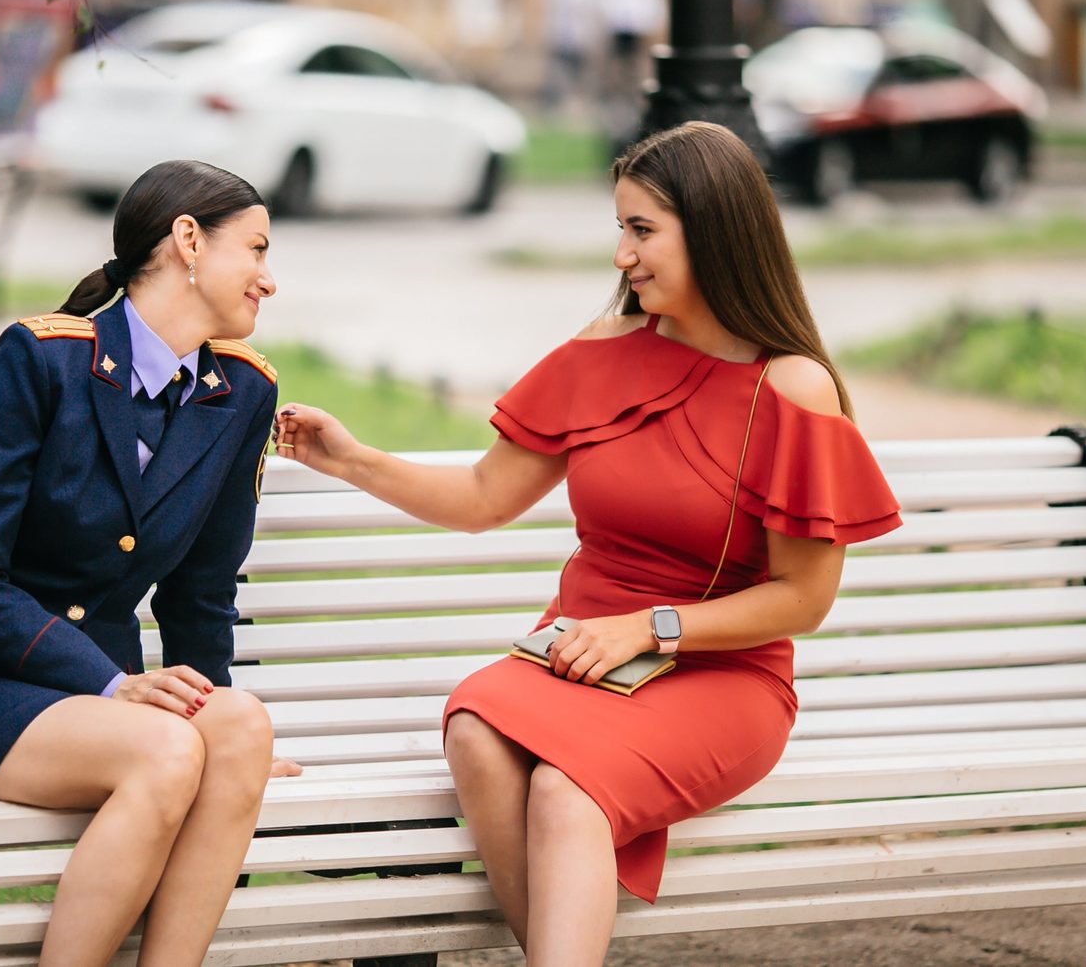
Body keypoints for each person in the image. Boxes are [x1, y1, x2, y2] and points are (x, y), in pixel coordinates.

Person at [273, 122, 902, 964]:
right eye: (620, 227)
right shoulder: (599, 353)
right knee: (475, 730)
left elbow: (805, 598)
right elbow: (483, 496)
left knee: (567, 790)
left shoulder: (790, 387)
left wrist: (650, 628)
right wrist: (353, 459)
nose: (621, 256)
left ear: (714, 230)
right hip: (576, 654)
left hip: (721, 671)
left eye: (642, 230)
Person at [0, 159, 298, 967]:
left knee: (241, 728)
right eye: (257, 249)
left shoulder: (241, 391)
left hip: (93, 695)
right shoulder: (42, 359)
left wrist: (227, 739)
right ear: (188, 241)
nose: (269, 279)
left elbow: (201, 593)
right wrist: (113, 684)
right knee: (166, 750)